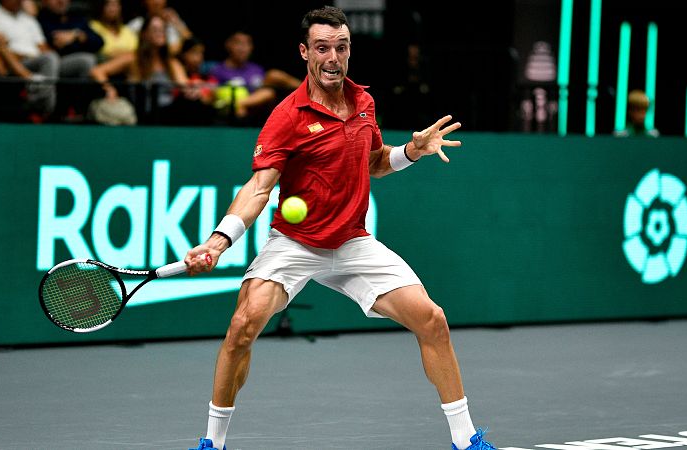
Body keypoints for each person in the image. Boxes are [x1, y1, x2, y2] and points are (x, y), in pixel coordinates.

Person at [182, 7, 497, 450]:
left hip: (352, 241)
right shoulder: (286, 116)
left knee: (432, 320)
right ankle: (212, 443)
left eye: (342, 47)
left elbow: (372, 162)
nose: (334, 57)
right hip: (295, 243)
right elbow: (259, 186)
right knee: (242, 326)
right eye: (323, 47)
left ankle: (467, 441)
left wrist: (411, 150)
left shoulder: (364, 102)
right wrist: (219, 240)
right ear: (304, 52)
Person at [210, 30, 301, 123]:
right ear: (228, 45)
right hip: (229, 111)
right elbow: (211, 94)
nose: (243, 48)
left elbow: (265, 93)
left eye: (247, 44)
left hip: (256, 112)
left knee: (272, 82)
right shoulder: (218, 70)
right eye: (238, 43)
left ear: (251, 47)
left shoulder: (257, 69)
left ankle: (306, 89)